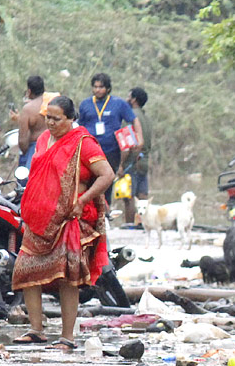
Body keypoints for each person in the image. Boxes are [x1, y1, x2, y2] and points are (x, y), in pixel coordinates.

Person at [10, 95, 115, 350]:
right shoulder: (44, 138)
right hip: (40, 218)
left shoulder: (83, 143)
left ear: (70, 119)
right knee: (25, 271)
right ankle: (36, 329)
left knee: (68, 277)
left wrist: (84, 199)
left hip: (69, 219)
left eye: (57, 119)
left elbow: (107, 175)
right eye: (48, 118)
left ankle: (67, 337)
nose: (51, 123)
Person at [76, 73, 135, 203]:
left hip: (111, 150)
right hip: (90, 150)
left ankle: (105, 212)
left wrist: (137, 138)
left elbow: (133, 120)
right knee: (89, 181)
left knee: (107, 181)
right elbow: (80, 126)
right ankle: (90, 211)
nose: (97, 90)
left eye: (101, 87)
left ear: (108, 88)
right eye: (95, 87)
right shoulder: (86, 104)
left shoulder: (119, 103)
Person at [9, 74, 48, 169]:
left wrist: (26, 153)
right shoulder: (52, 103)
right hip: (53, 146)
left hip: (35, 148)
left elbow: (22, 140)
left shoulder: (28, 109)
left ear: (29, 91)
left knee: (26, 180)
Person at [125, 87, 151, 225]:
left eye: (128, 96)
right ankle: (144, 223)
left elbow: (127, 143)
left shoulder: (131, 117)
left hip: (132, 160)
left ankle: (130, 225)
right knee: (142, 195)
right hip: (145, 160)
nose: (126, 99)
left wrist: (122, 164)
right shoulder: (146, 117)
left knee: (129, 196)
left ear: (134, 99)